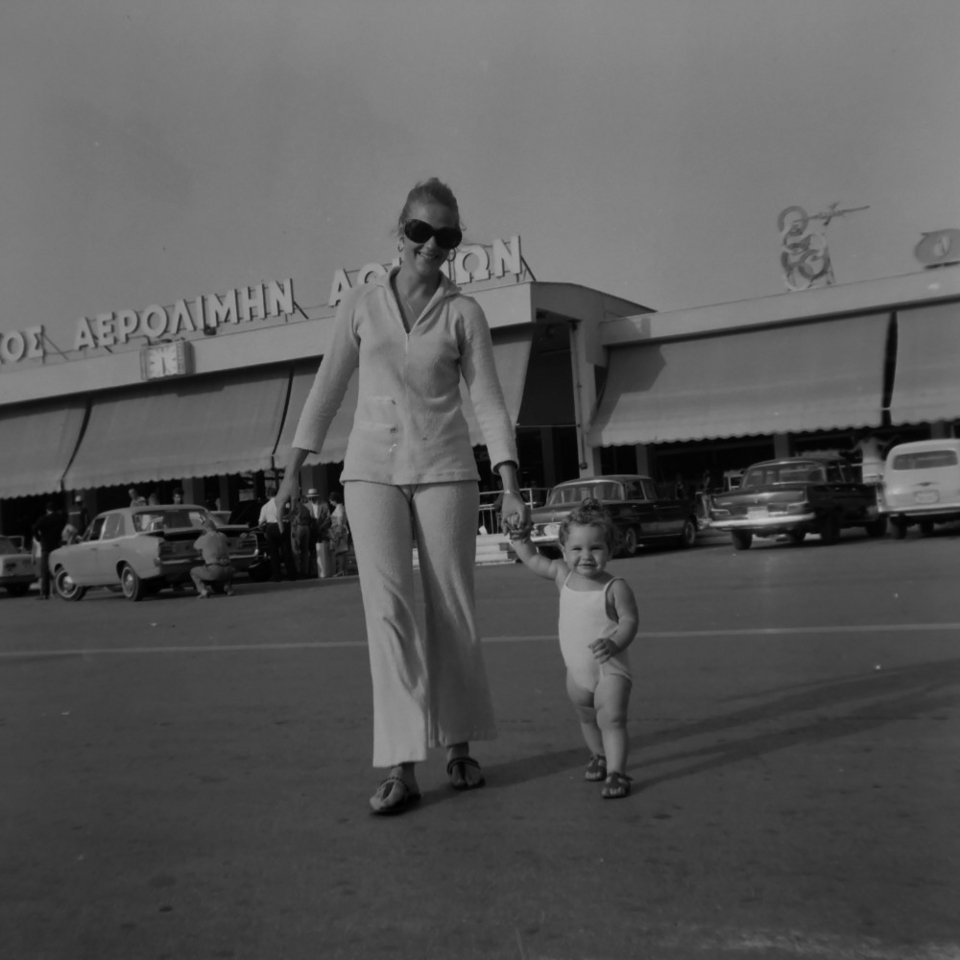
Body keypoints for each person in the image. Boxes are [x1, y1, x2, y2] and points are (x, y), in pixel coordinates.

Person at [274, 177, 530, 815]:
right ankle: (401, 766)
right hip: (370, 474)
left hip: (447, 470)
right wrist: (291, 472)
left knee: (452, 610)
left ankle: (460, 746)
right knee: (388, 616)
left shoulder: (464, 313)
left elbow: (490, 403)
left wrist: (511, 483)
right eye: (420, 231)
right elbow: (327, 389)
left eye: (446, 235)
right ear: (400, 232)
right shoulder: (360, 304)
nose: (432, 245)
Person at [507, 499, 639, 799]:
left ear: (610, 550)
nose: (586, 556)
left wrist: (615, 642)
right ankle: (598, 756)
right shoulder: (562, 575)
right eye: (577, 549)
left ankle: (617, 772)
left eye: (596, 548)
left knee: (612, 720)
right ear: (563, 550)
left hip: (610, 669)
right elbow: (531, 559)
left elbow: (630, 621)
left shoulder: (615, 587)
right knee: (586, 717)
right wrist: (520, 539)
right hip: (577, 672)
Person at [189, 515, 235, 598]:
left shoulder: (204, 538)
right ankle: (228, 587)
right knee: (227, 570)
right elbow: (229, 543)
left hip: (215, 570)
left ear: (205, 528)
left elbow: (195, 546)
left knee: (193, 571)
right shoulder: (222, 535)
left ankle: (203, 591)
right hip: (229, 570)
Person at [33, 501, 66, 600]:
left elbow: (34, 528)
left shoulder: (44, 519)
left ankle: (45, 593)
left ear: (47, 510)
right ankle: (62, 589)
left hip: (46, 547)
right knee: (58, 568)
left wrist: (38, 538)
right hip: (57, 545)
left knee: (45, 571)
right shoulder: (60, 519)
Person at [257, 494, 292, 581]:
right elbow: (290, 515)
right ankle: (291, 574)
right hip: (283, 525)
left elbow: (260, 523)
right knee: (286, 551)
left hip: (271, 527)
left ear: (268, 496)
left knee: (273, 553)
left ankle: (277, 575)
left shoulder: (265, 506)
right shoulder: (284, 503)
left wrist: (263, 529)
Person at [305, 488, 333, 578]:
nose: (311, 499)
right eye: (310, 497)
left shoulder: (324, 504)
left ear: (316, 497)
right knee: (312, 550)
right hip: (311, 529)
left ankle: (325, 569)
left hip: (322, 528)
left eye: (313, 497)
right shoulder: (306, 506)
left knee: (323, 549)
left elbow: (328, 517)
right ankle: (313, 571)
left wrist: (322, 526)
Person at [327, 490, 350, 577]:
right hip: (340, 529)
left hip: (339, 530)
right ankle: (343, 570)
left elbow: (340, 520)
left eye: (331, 500)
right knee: (341, 551)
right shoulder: (342, 507)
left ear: (334, 500)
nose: (330, 502)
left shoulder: (339, 508)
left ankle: (341, 570)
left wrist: (338, 532)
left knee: (340, 552)